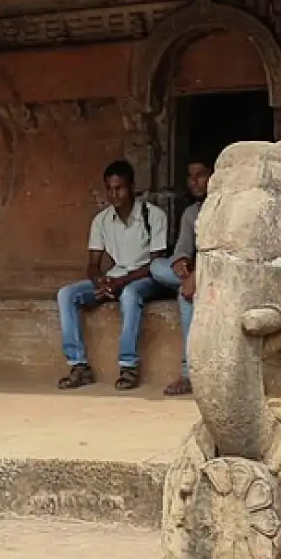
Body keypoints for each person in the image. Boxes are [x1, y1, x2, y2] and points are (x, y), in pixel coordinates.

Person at [57, 160, 168, 391]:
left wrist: (120, 282)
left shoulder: (154, 216)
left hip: (145, 279)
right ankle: (79, 365)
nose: (114, 194)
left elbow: (156, 263)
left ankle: (128, 365)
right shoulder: (102, 220)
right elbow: (93, 264)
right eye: (109, 188)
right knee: (67, 294)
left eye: (119, 188)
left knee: (129, 294)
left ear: (132, 187)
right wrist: (100, 282)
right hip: (115, 278)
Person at [149, 157, 213, 396]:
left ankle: (189, 374)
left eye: (201, 175)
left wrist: (198, 275)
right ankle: (193, 285)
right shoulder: (191, 213)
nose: (194, 181)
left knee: (185, 297)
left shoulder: (228, 208)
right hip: (197, 278)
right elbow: (182, 250)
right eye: (190, 176)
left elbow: (228, 255)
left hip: (223, 277)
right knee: (157, 266)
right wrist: (180, 265)